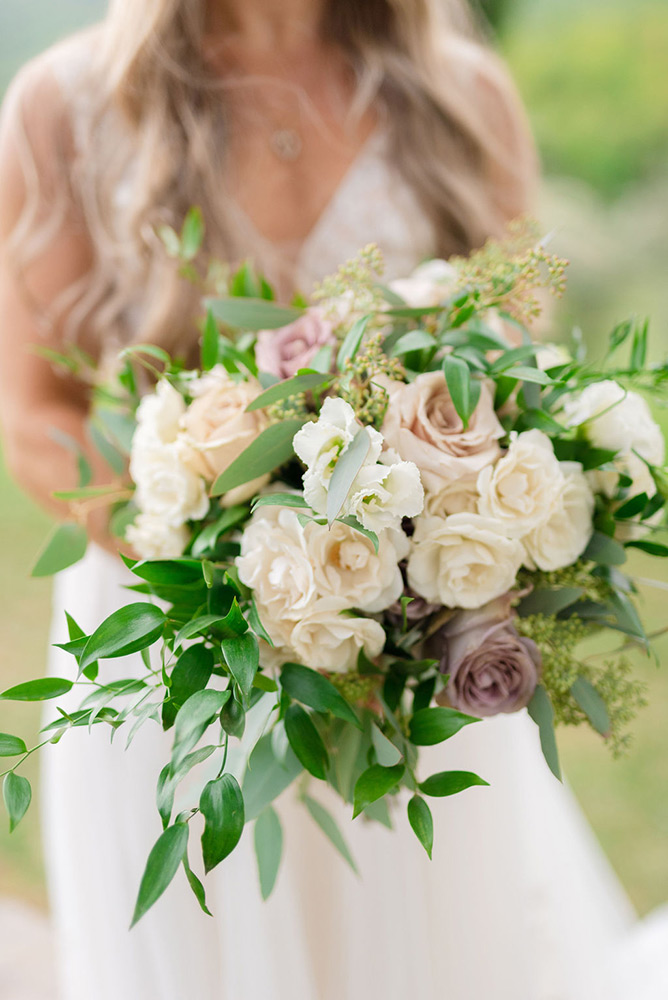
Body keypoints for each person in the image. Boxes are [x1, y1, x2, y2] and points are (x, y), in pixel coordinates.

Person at [0, 2, 666, 999]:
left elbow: (513, 369)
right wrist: (228, 581)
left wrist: (439, 546)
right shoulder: (67, 103)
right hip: (184, 663)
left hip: (408, 667)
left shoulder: (462, 92)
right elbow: (34, 409)